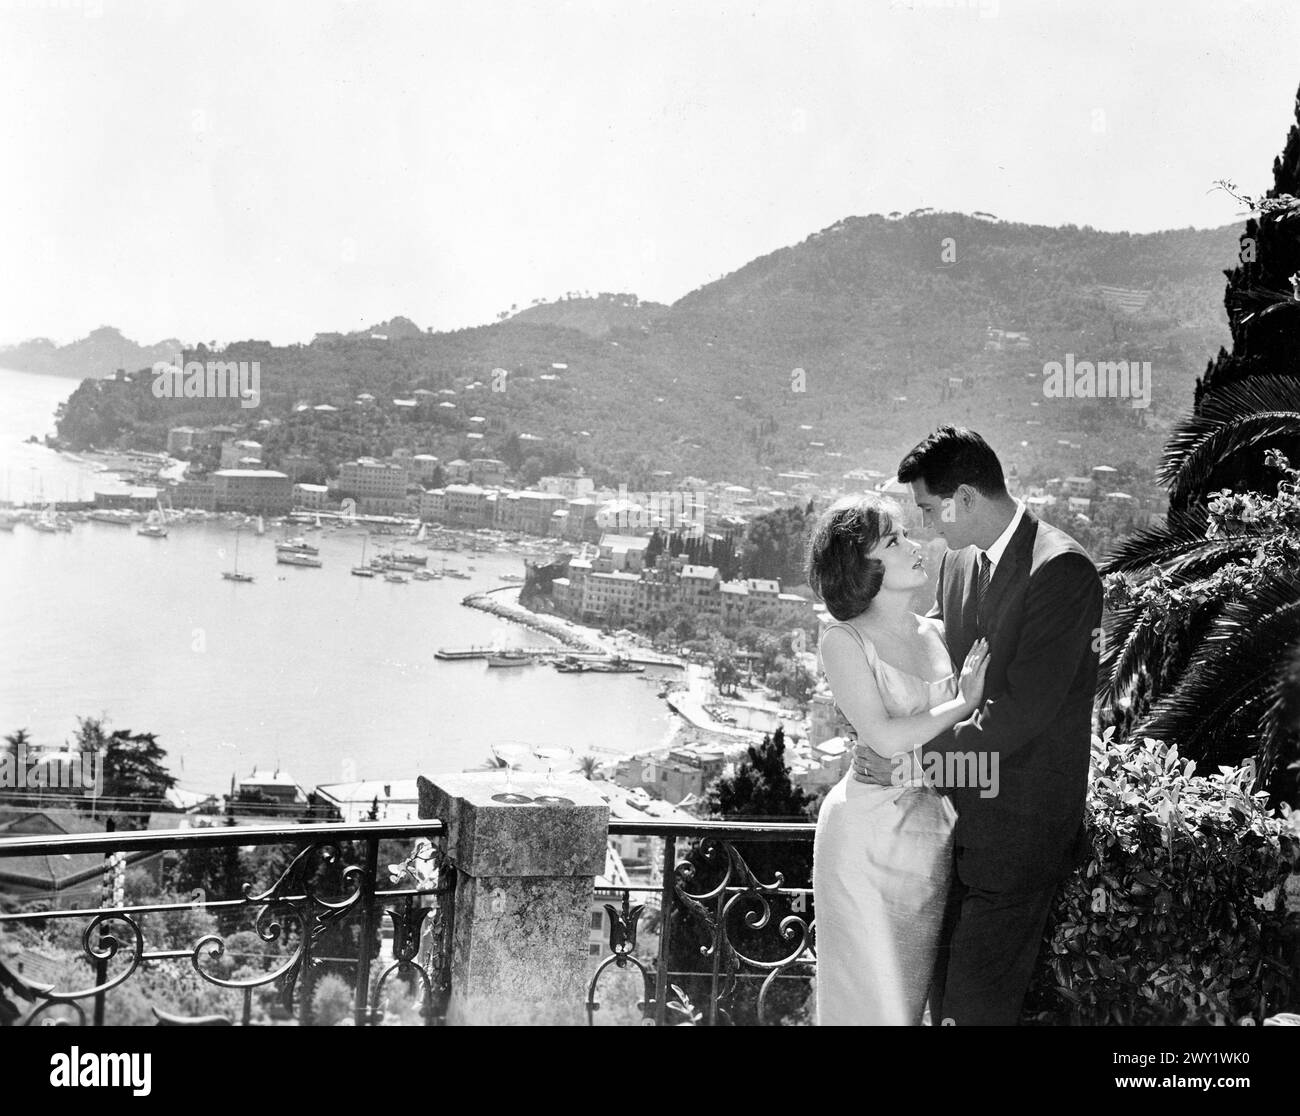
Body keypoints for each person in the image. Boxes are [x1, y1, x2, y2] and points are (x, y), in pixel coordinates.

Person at [852, 426, 1103, 1025]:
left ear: (965, 497)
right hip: (953, 826)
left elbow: (1015, 716)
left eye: (930, 508)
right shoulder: (959, 564)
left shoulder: (1062, 571)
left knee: (974, 1011)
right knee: (939, 1003)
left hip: (1018, 833)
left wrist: (909, 763)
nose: (927, 525)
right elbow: (941, 667)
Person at [809, 492, 990, 1025]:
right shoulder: (842, 641)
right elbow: (885, 739)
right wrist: (962, 701)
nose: (915, 547)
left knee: (904, 1008)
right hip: (862, 841)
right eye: (895, 541)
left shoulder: (940, 634)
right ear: (864, 566)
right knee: (862, 1005)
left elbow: (964, 746)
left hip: (929, 840)